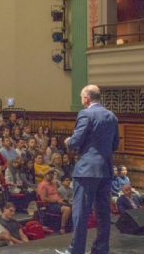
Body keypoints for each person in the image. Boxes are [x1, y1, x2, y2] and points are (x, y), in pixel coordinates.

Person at [56, 85, 119, 254]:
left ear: (86, 98)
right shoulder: (112, 116)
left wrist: (68, 141)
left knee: (81, 212)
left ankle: (76, 250)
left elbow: (76, 141)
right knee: (103, 213)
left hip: (86, 171)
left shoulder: (85, 114)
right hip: (105, 170)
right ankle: (100, 249)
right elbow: (115, 145)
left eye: (81, 98)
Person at [39, 169, 71, 234]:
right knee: (67, 209)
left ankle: (70, 227)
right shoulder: (43, 185)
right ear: (44, 176)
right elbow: (43, 198)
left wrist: (60, 200)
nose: (50, 175)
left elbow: (56, 195)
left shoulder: (54, 184)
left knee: (75, 206)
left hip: (58, 202)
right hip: (50, 205)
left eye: (52, 174)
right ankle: (62, 228)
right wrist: (56, 201)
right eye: (48, 174)